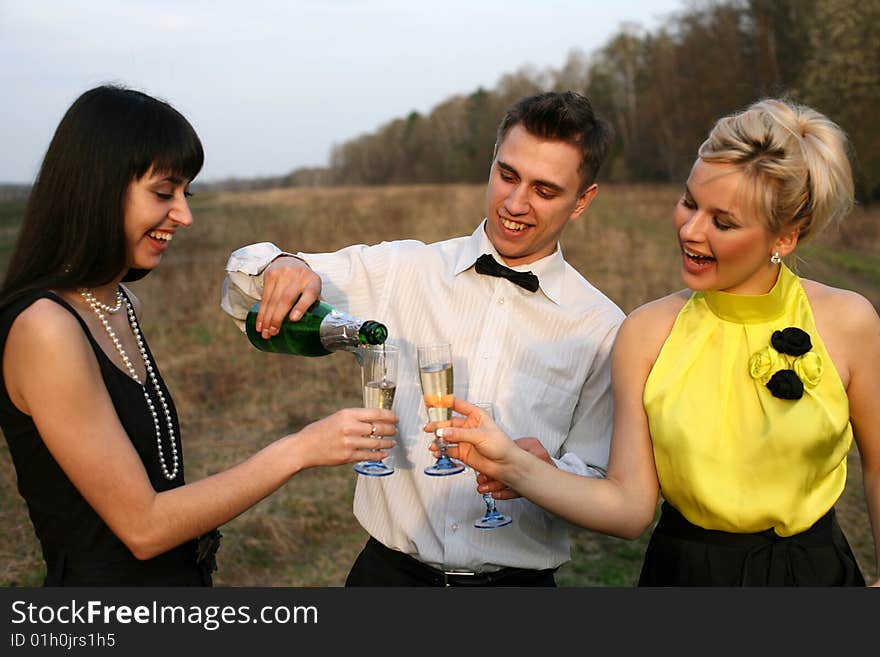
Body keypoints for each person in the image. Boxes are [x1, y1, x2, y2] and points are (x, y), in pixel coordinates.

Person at [429, 98, 880, 586]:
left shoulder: (847, 321)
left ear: (785, 238)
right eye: (690, 202)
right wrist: (514, 465)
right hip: (685, 576)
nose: (690, 230)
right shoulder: (646, 332)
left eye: (722, 222)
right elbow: (629, 510)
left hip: (815, 576)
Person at [221, 91, 624, 586]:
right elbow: (245, 290)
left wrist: (544, 475)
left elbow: (604, 484)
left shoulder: (603, 326)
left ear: (582, 200)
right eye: (507, 175)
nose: (515, 204)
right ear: (492, 163)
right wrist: (281, 263)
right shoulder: (402, 269)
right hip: (386, 579)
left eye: (545, 190)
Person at [0, 85, 397, 587]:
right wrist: (300, 449)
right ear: (96, 187)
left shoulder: (119, 303)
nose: (184, 215)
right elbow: (142, 526)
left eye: (187, 194)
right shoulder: (45, 328)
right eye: (164, 193)